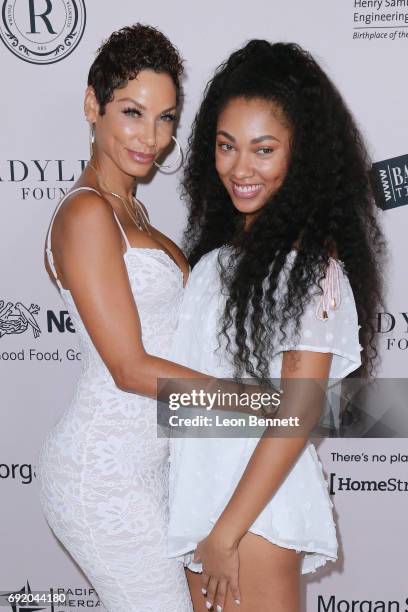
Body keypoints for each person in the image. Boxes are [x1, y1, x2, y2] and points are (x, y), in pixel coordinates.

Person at [167, 40, 385, 612]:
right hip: (201, 502)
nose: (241, 168)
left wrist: (224, 534)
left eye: (264, 150)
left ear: (300, 155)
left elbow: (302, 409)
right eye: (226, 146)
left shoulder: (311, 268)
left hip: (248, 520)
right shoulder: (217, 258)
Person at [36, 23, 197, 612]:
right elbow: (130, 368)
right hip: (101, 477)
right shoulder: (86, 214)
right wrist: (258, 403)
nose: (151, 138)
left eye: (166, 118)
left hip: (147, 470)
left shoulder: (131, 211)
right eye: (133, 112)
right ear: (92, 105)